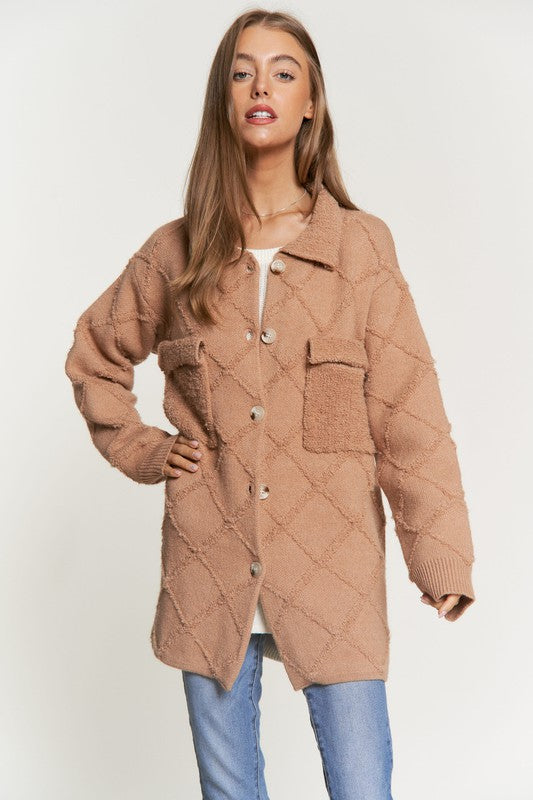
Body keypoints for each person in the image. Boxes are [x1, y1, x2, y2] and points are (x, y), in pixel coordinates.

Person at [65, 9, 476, 799]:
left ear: (310, 102)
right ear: (223, 98)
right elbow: (94, 358)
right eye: (242, 72)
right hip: (208, 568)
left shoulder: (359, 248)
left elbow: (409, 415)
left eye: (283, 73)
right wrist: (145, 449)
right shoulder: (175, 251)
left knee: (363, 787)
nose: (262, 87)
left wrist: (442, 556)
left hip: (333, 569)